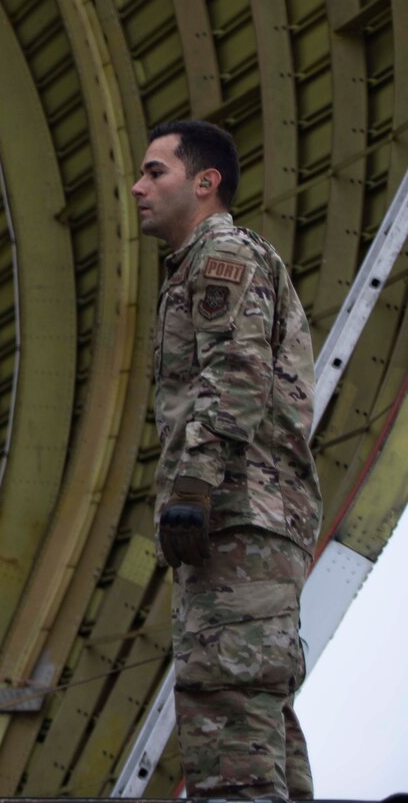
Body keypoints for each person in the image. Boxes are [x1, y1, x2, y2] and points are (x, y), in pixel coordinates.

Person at [133, 120, 322, 798]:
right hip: (245, 520)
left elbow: (237, 370)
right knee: (255, 710)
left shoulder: (223, 255)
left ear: (205, 182)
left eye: (156, 171)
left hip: (238, 516)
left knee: (228, 708)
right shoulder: (199, 264)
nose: (138, 186)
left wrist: (193, 484)